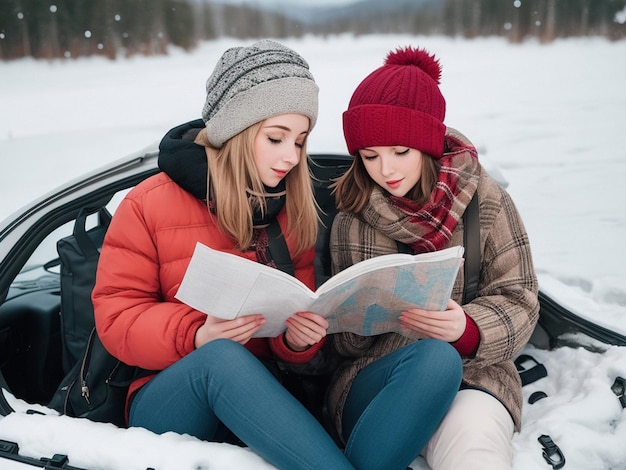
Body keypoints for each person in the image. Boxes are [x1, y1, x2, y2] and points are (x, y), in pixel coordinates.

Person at [92, 39, 354, 470]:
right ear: (235, 128)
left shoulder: (288, 205)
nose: (290, 157)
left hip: (262, 397)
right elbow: (117, 319)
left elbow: (290, 312)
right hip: (169, 398)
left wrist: (296, 341)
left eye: (301, 142)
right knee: (220, 358)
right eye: (276, 138)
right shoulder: (147, 203)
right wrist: (196, 336)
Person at [326, 46, 540, 470]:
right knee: (424, 371)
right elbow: (344, 343)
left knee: (475, 450)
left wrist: (468, 328)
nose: (385, 169)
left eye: (400, 151)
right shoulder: (353, 217)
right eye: (369, 156)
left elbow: (520, 297)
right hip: (378, 377)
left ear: (427, 144)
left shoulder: (488, 202)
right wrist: (355, 317)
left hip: (475, 374)